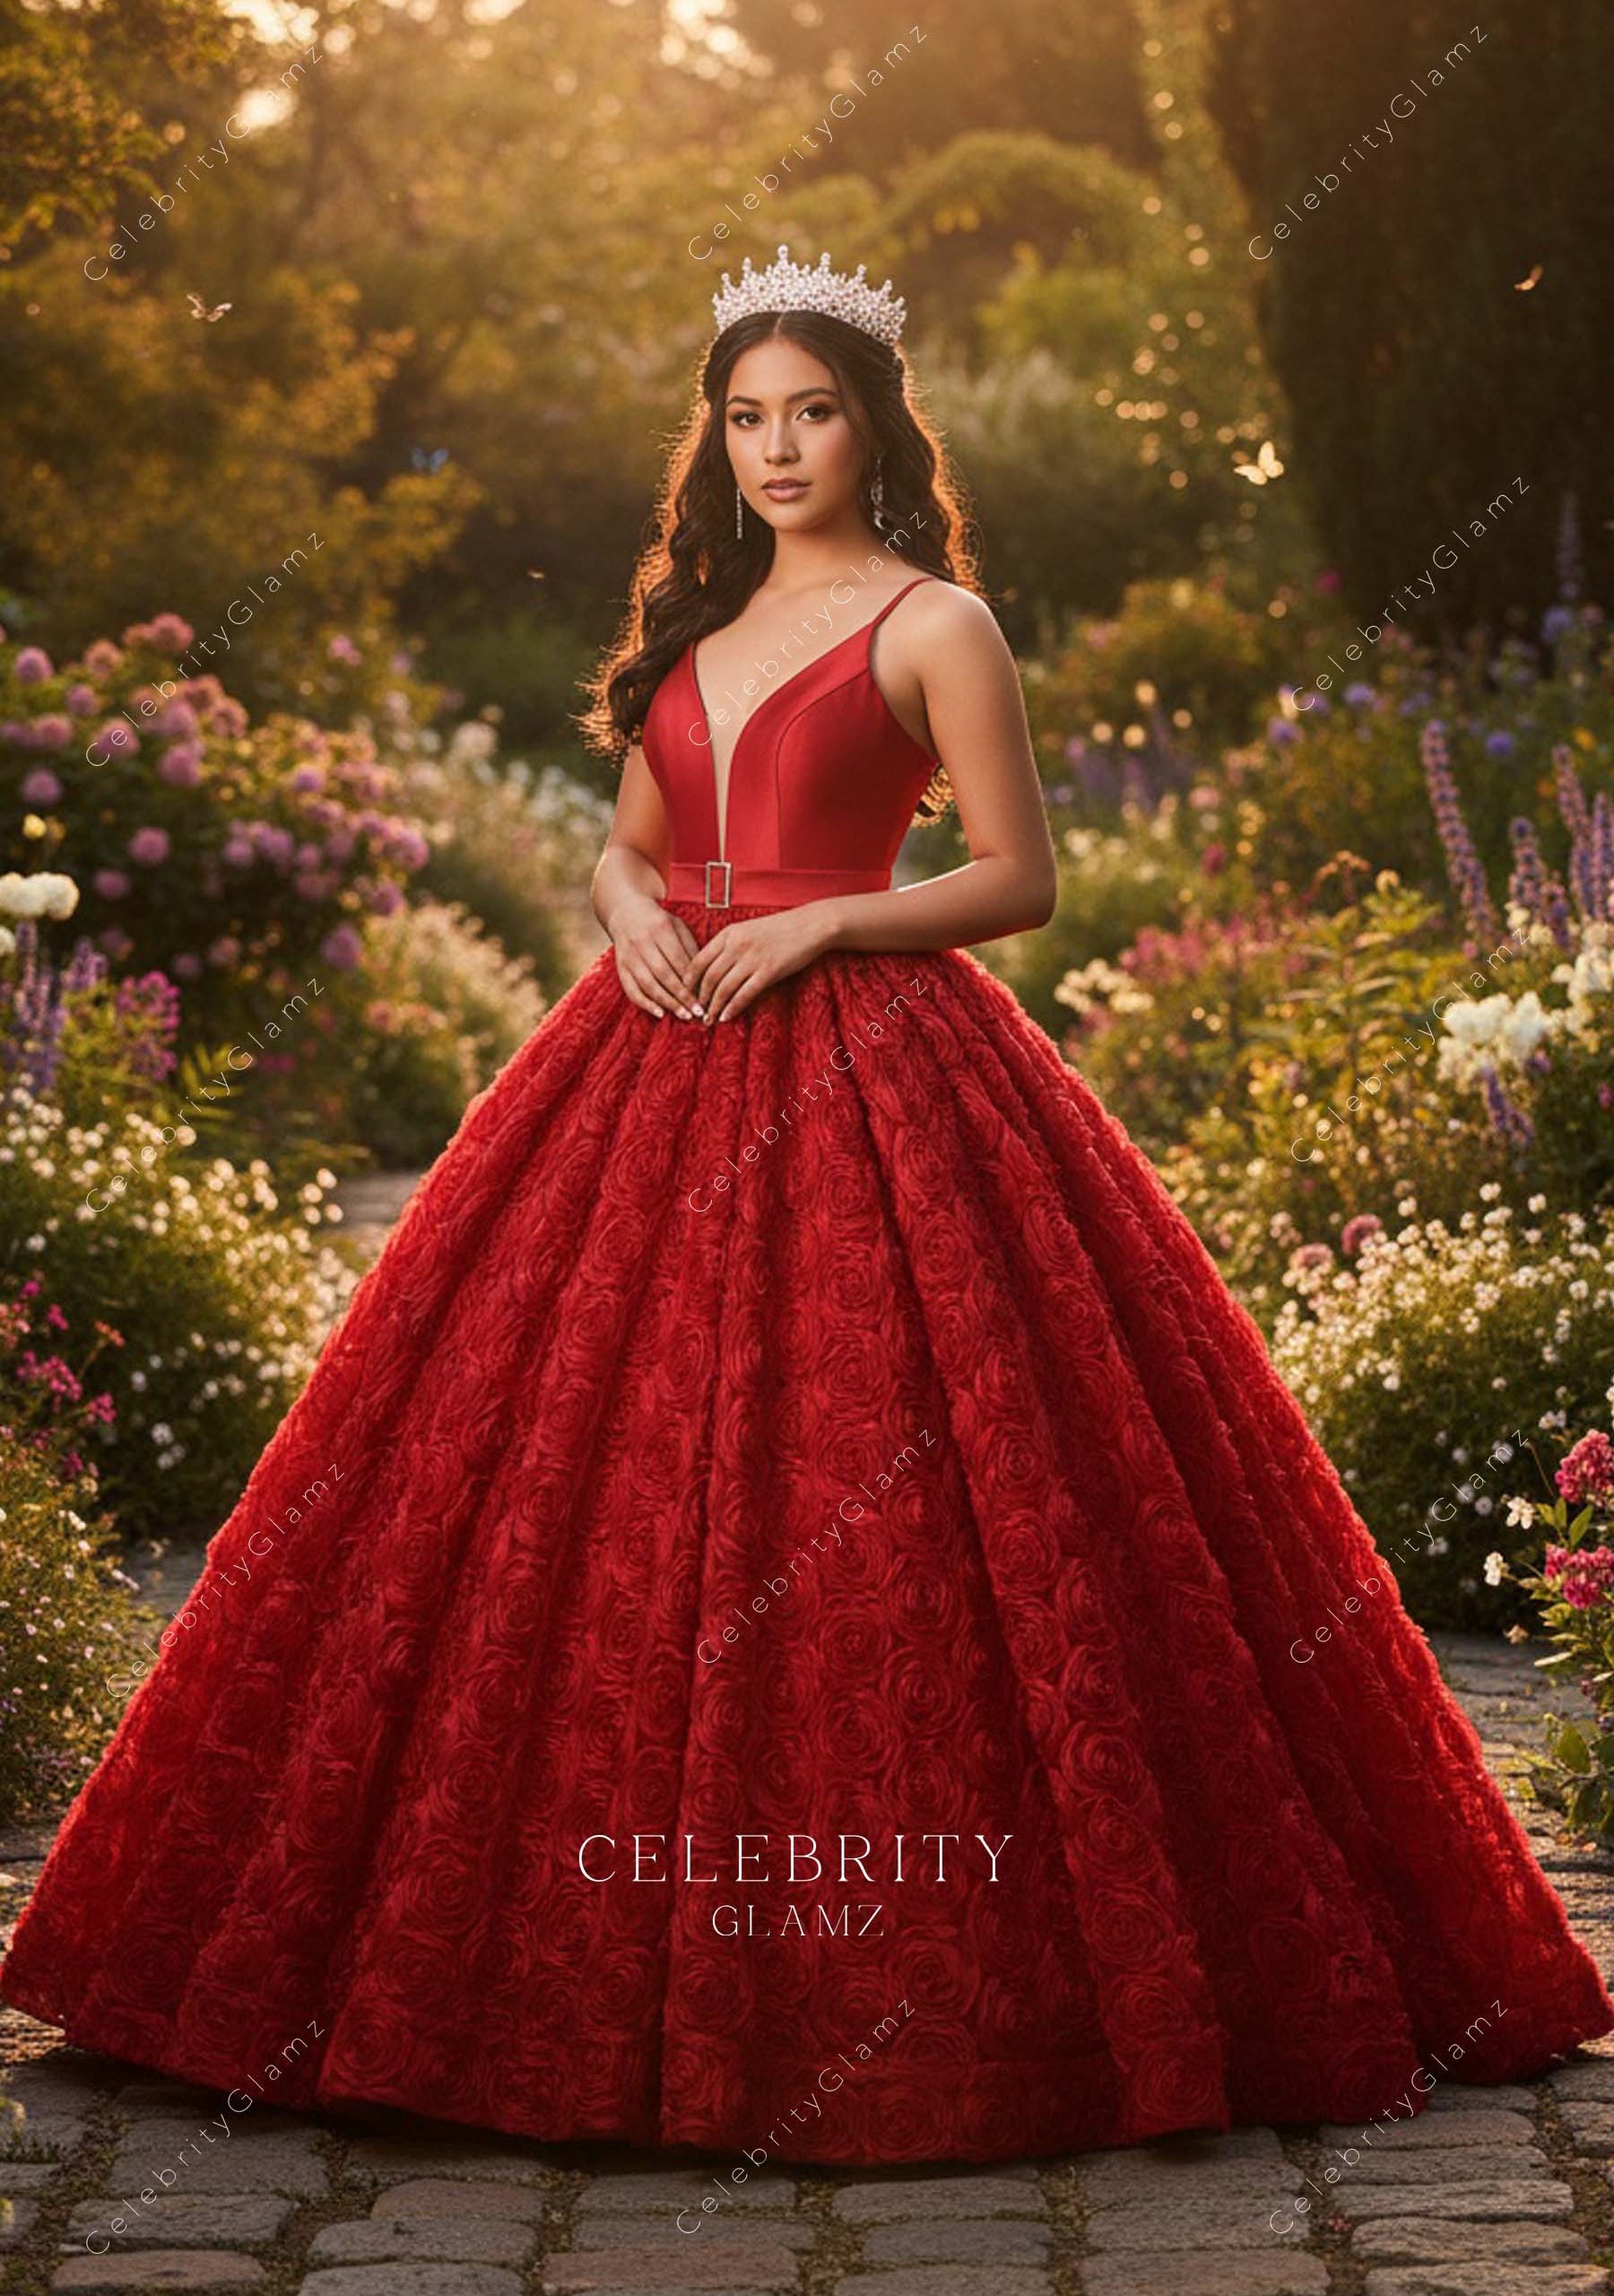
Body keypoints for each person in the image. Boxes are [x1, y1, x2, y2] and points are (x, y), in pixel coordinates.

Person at [3, 247, 1608, 2168]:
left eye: (812, 410)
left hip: (882, 1064)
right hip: (648, 1051)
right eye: (746, 416)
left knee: (917, 1466)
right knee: (544, 1470)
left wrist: (834, 914)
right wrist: (621, 913)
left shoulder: (941, 625)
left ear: (872, 422)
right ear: (721, 435)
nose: (777, 447)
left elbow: (1018, 875)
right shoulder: (686, 635)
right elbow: (631, 842)